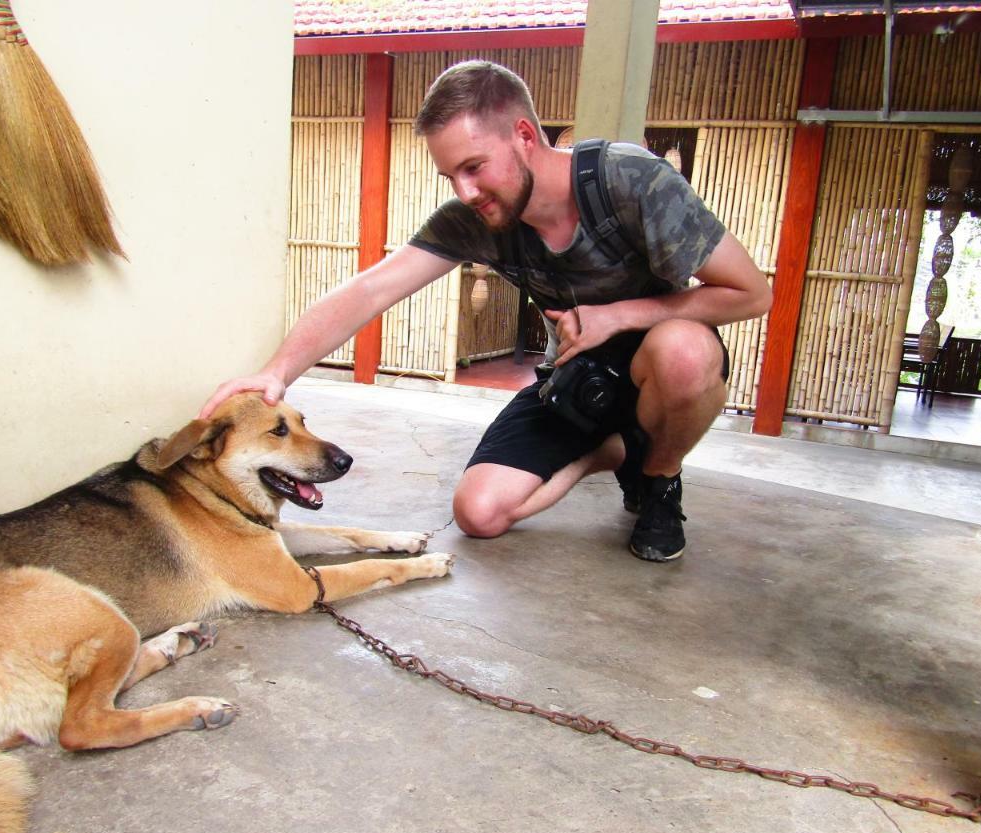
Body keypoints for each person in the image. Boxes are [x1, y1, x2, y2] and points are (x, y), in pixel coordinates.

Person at [202, 60, 771, 562]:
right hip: (572, 379)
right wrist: (277, 372)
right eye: (451, 175)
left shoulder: (631, 181)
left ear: (524, 134)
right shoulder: (474, 218)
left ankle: (658, 478)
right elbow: (370, 291)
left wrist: (620, 314)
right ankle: (614, 449)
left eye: (474, 166)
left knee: (685, 349)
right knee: (479, 515)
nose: (466, 190)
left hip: (657, 366)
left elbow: (750, 293)